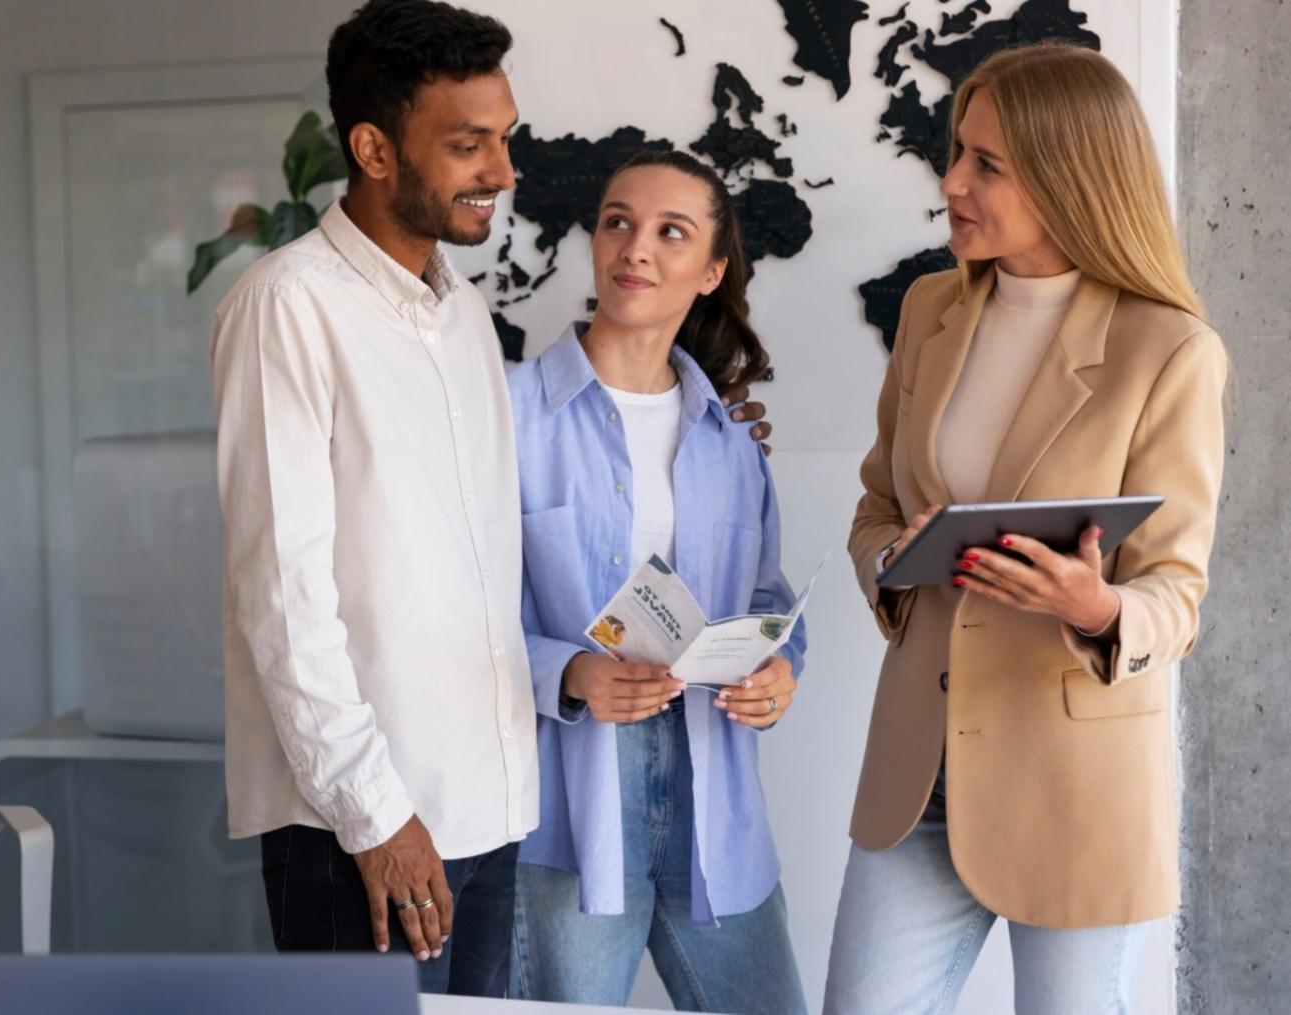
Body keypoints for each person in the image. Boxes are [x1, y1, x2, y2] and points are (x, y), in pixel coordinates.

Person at [210, 0, 770, 996]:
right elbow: (281, 599)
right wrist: (376, 816)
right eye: (468, 145)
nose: (503, 173)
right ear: (374, 149)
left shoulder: (463, 315)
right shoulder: (286, 307)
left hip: (486, 807)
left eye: (502, 139)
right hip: (364, 825)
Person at [824, 43, 1229, 1013]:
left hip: (1077, 790)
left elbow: (1175, 588)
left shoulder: (1168, 350)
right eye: (956, 151)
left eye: (985, 164)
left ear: (1066, 176)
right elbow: (875, 504)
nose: (950, 181)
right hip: (918, 777)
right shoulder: (928, 311)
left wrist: (1096, 608)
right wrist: (894, 556)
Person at [506, 150, 810, 1015]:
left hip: (718, 803)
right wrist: (569, 672)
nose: (635, 246)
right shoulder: (509, 414)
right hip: (568, 814)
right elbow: (455, 614)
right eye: (617, 222)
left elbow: (769, 601)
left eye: (670, 232)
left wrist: (779, 671)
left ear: (711, 271)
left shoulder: (731, 438)